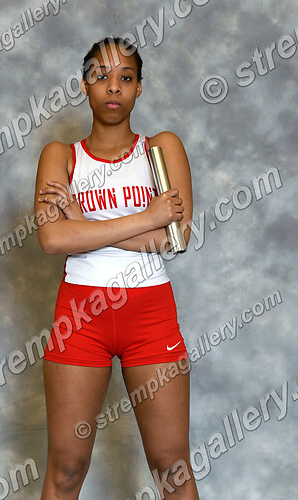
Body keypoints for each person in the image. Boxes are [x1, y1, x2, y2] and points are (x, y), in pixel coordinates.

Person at [34, 36, 199, 500]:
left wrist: (84, 224)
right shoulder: (60, 155)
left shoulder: (161, 148)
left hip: (150, 315)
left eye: (126, 78)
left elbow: (176, 239)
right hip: (79, 316)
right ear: (84, 85)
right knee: (66, 470)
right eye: (101, 76)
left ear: (139, 87)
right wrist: (148, 218)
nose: (113, 87)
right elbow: (52, 239)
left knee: (172, 467)